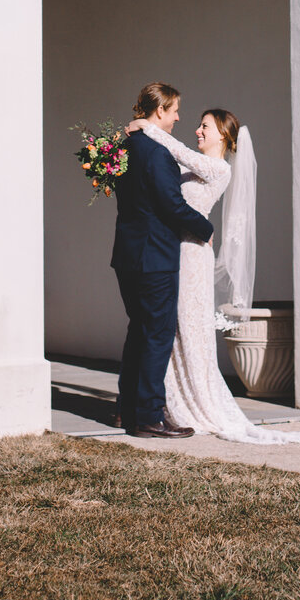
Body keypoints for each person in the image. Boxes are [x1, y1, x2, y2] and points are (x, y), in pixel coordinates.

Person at [124, 106, 300, 445]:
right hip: (170, 250)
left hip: (193, 256)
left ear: (223, 135)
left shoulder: (217, 168)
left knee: (188, 327)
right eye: (198, 125)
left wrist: (147, 127)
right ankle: (157, 401)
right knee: (169, 329)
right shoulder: (192, 163)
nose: (197, 130)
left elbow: (175, 151)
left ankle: (189, 401)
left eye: (205, 126)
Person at [111, 81, 215, 438]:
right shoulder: (157, 152)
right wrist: (204, 227)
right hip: (154, 256)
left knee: (138, 331)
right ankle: (149, 417)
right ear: (159, 112)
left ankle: (126, 410)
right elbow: (171, 205)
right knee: (157, 335)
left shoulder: (126, 146)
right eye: (173, 111)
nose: (177, 118)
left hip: (126, 254)